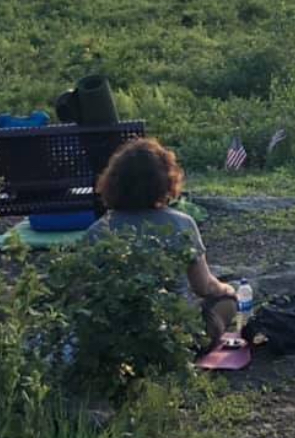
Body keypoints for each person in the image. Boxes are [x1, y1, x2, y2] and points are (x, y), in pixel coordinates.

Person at [86, 138, 237, 345]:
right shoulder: (180, 224)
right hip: (173, 337)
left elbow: (87, 292)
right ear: (165, 182)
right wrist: (227, 290)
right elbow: (204, 287)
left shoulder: (97, 232)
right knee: (226, 302)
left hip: (117, 341)